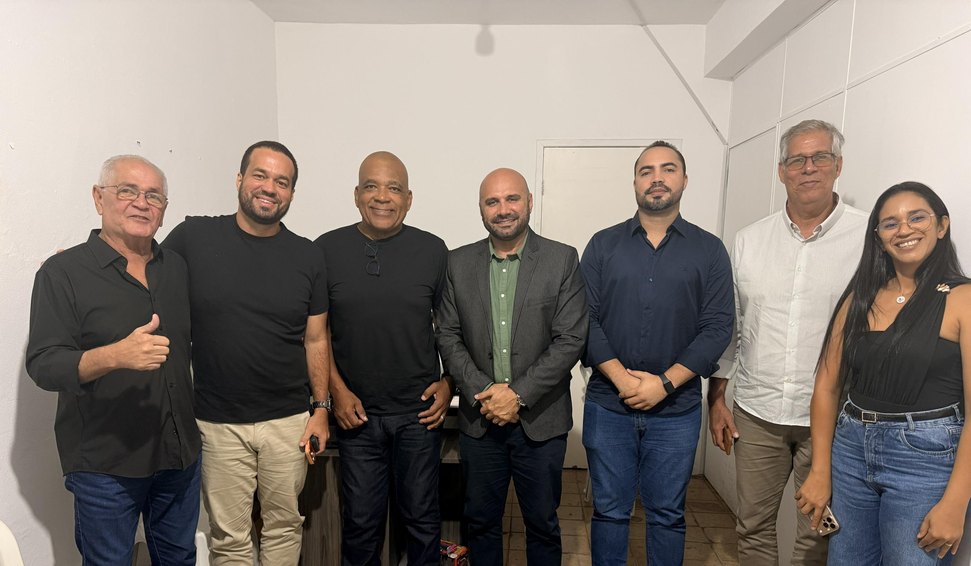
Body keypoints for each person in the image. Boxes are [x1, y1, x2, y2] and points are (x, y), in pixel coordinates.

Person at [706, 119, 868, 564]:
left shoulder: (868, 238)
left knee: (819, 531)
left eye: (819, 158)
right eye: (797, 160)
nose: (808, 168)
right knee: (752, 527)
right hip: (757, 413)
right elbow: (734, 329)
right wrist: (716, 399)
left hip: (833, 417)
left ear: (838, 165)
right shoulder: (749, 240)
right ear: (781, 171)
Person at [26, 155, 201, 564]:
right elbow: (44, 364)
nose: (142, 203)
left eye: (153, 196)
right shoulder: (63, 272)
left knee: (180, 558)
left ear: (164, 210)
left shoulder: (176, 267)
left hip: (179, 454)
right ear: (98, 198)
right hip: (106, 465)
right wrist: (115, 355)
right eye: (127, 191)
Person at [162, 141, 330, 565]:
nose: (269, 187)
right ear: (239, 179)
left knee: (284, 525)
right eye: (260, 175)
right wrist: (84, 265)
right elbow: (144, 268)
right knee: (229, 537)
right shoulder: (194, 237)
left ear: (291, 193)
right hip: (217, 421)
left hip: (288, 421)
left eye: (282, 181)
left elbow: (316, 339)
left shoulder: (308, 256)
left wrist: (321, 409)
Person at [796, 181, 971, 565]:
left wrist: (956, 502)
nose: (904, 229)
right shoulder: (860, 297)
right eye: (890, 223)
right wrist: (820, 470)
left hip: (925, 460)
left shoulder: (963, 299)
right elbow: (826, 387)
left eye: (917, 218)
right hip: (850, 450)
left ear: (942, 225)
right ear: (878, 237)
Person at [580, 141, 734, 565]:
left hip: (676, 410)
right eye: (646, 171)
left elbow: (718, 328)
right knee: (610, 512)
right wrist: (624, 380)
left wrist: (664, 384)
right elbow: (583, 321)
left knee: (667, 515)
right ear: (634, 182)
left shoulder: (709, 250)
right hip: (609, 405)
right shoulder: (603, 245)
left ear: (684, 180)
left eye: (668, 169)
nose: (657, 178)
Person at [437, 167, 587, 565]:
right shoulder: (457, 263)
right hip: (481, 420)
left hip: (541, 420)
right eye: (493, 201)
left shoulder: (562, 259)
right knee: (480, 522)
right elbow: (447, 335)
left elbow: (570, 339)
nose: (503, 209)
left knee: (542, 524)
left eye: (512, 199)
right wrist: (488, 393)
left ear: (529, 202)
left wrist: (517, 395)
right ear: (481, 208)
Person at [314, 151, 451, 565]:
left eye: (394, 188)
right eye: (371, 186)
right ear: (357, 194)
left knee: (423, 521)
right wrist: (336, 392)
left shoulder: (433, 250)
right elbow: (316, 334)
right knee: (360, 525)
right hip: (356, 415)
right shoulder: (326, 249)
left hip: (418, 415)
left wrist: (450, 383)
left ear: (409, 198)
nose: (382, 196)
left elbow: (451, 328)